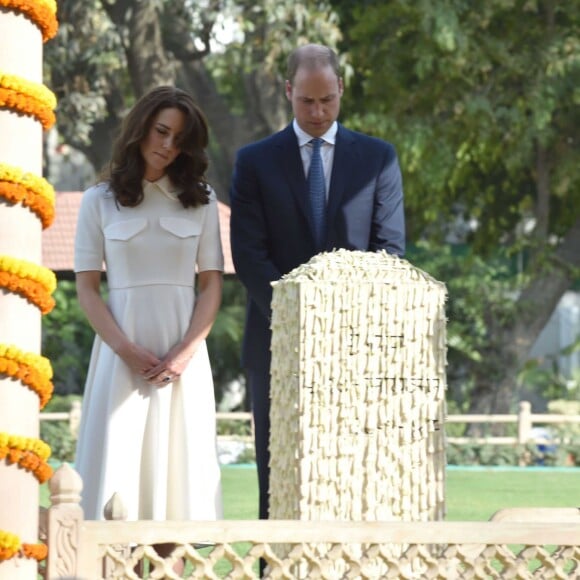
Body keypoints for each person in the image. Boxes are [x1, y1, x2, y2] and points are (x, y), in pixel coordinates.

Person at [229, 43, 406, 523]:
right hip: (274, 343)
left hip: (356, 346)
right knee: (279, 476)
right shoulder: (254, 162)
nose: (317, 111)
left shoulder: (378, 159)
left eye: (327, 99)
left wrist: (338, 322)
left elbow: (389, 252)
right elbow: (248, 255)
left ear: (340, 90)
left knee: (354, 475)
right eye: (306, 101)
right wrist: (297, 318)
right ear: (288, 91)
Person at [74, 87, 224, 558]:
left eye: (179, 139)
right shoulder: (97, 201)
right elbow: (87, 289)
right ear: (141, 128)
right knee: (116, 493)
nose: (167, 145)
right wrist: (126, 350)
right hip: (119, 364)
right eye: (161, 132)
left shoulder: (200, 201)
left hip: (183, 364)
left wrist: (183, 354)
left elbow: (211, 287)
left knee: (176, 498)